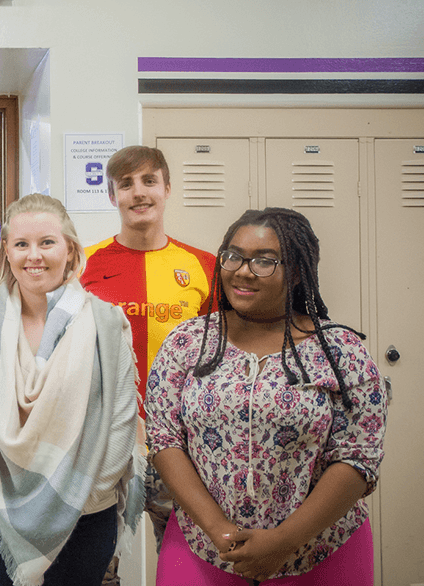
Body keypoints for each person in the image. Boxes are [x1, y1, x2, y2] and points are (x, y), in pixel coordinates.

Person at [146, 208, 388, 584]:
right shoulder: (187, 342)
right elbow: (163, 439)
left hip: (320, 549)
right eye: (233, 256)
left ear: (295, 272)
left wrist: (283, 542)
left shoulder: (341, 350)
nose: (243, 270)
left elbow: (359, 455)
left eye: (264, 261)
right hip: (203, 547)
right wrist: (221, 533)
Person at [0, 193, 144, 586]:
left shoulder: (107, 325)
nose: (34, 255)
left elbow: (121, 418)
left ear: (70, 249)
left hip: (84, 512)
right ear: (7, 253)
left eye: (47, 242)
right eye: (22, 244)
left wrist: (74, 498)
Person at [78, 146, 217, 582]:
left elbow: (224, 356)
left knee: (189, 563)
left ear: (167, 188)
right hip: (104, 440)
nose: (138, 193)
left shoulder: (204, 266)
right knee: (94, 566)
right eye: (126, 184)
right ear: (112, 196)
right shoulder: (82, 263)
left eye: (149, 181)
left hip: (184, 446)